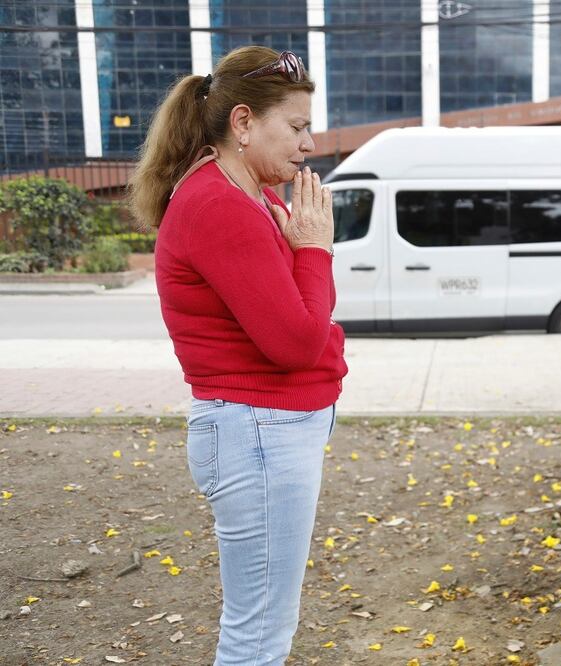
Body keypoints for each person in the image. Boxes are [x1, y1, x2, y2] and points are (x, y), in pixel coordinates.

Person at [127, 46, 347, 664]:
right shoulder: (222, 205)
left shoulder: (252, 196)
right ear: (244, 122)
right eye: (298, 128)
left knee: (265, 625)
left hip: (263, 429)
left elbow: (303, 323)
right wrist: (315, 250)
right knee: (257, 636)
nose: (309, 145)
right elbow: (298, 342)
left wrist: (309, 266)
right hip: (259, 431)